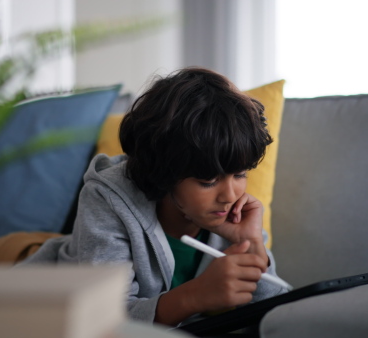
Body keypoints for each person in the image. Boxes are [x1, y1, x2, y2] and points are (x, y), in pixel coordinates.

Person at [21, 67, 286, 326]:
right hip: (42, 304)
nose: (229, 196)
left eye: (239, 175)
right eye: (208, 181)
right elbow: (105, 320)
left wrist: (252, 245)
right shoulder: (107, 197)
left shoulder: (235, 215)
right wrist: (195, 295)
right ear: (164, 173)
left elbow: (275, 318)